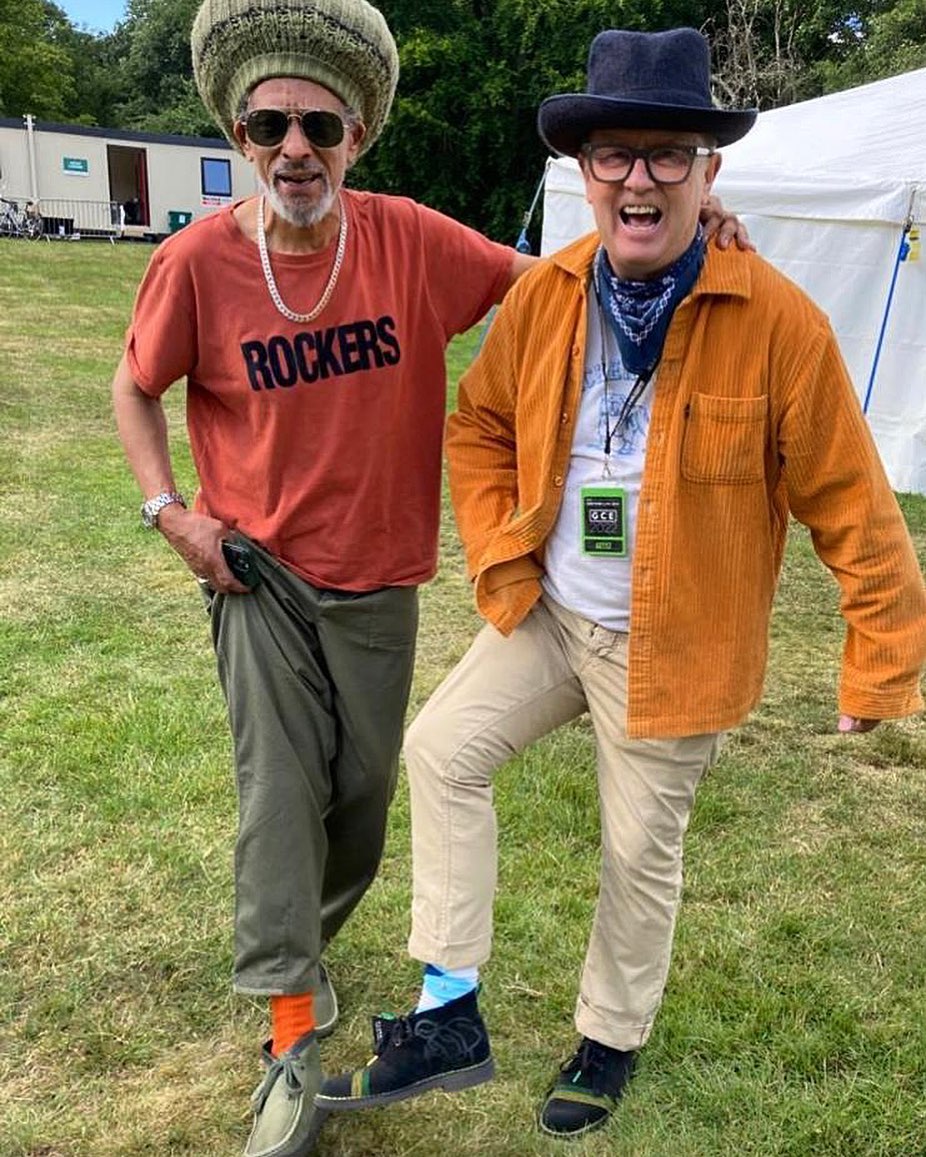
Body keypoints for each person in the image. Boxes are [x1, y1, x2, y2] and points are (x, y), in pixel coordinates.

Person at [112, 2, 745, 1150]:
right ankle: (289, 1032)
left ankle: (307, 943)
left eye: (319, 125)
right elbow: (134, 386)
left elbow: (553, 283)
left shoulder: (408, 240)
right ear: (238, 136)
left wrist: (681, 233)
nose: (294, 148)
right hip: (256, 573)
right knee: (278, 795)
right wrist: (172, 513)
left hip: (380, 583)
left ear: (354, 136)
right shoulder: (195, 263)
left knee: (359, 806)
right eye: (267, 126)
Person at [317, 26, 926, 1141]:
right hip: (551, 615)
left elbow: (850, 495)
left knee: (637, 851)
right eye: (614, 154)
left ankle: (608, 1037)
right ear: (584, 171)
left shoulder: (777, 323)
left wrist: (879, 659)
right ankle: (448, 1011)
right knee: (441, 750)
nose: (638, 178)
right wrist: (501, 550)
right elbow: (479, 422)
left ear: (707, 171)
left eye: (666, 153)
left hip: (678, 641)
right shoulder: (549, 295)